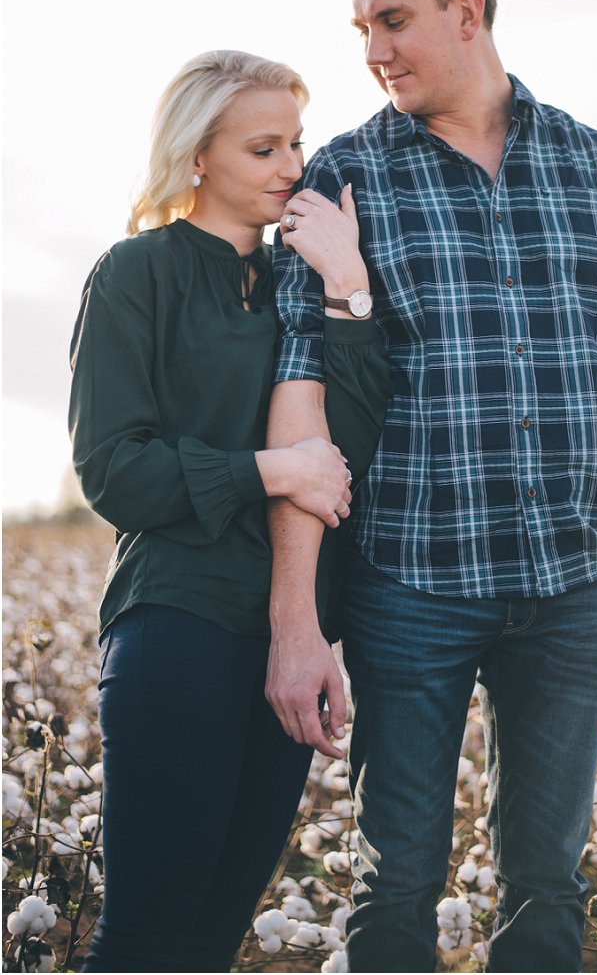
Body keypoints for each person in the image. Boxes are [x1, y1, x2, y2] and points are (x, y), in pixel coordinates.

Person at [267, 0, 597, 973]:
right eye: (362, 28)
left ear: (467, 9)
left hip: (572, 586)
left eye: (393, 19)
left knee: (549, 883)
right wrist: (296, 616)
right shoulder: (340, 181)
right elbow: (299, 396)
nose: (374, 50)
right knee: (394, 882)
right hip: (410, 585)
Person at [68, 49, 391, 973]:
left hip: (295, 636)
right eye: (263, 148)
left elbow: (346, 446)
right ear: (197, 155)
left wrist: (347, 285)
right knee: (144, 940)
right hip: (179, 621)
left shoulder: (302, 278)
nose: (292, 167)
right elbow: (113, 471)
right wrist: (269, 469)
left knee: (213, 941)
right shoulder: (135, 273)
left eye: (295, 143)